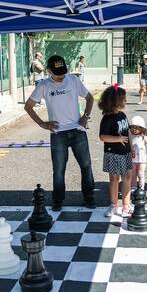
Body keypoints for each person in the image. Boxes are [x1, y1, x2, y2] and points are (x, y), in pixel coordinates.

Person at [24, 55, 95, 211]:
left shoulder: (74, 80)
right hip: (58, 134)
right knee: (58, 170)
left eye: (63, 72)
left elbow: (90, 98)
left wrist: (86, 116)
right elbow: (28, 106)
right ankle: (57, 201)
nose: (61, 76)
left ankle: (89, 198)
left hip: (78, 130)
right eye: (57, 73)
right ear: (48, 71)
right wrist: (42, 124)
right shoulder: (43, 85)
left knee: (86, 166)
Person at [98, 85, 133, 217]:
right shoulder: (107, 118)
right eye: (124, 99)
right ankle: (114, 205)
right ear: (116, 101)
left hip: (126, 153)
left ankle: (126, 205)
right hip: (113, 153)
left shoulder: (122, 115)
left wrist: (132, 147)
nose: (126, 101)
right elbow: (102, 137)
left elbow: (127, 131)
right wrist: (117, 139)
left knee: (127, 178)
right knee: (114, 179)